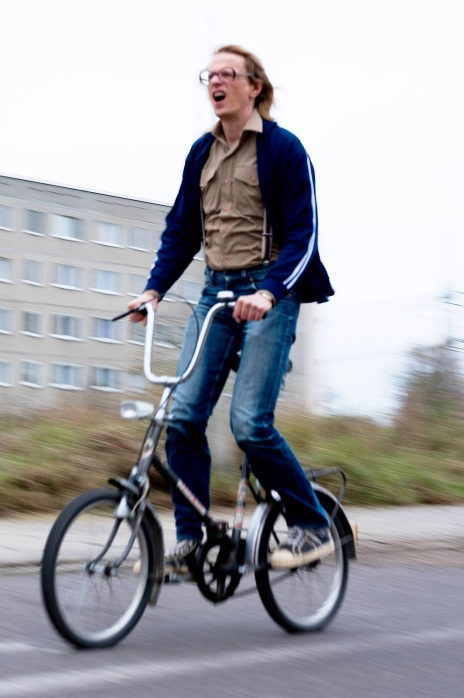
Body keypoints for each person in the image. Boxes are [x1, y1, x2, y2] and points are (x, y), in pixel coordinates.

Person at [126, 45, 334, 571]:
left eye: (227, 74)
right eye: (209, 75)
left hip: (268, 294)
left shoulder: (284, 150)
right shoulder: (202, 152)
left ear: (254, 86)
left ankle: (311, 525)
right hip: (213, 294)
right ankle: (192, 538)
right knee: (184, 417)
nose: (214, 82)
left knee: (250, 425)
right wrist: (154, 289)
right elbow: (182, 230)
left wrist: (268, 292)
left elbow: (304, 236)